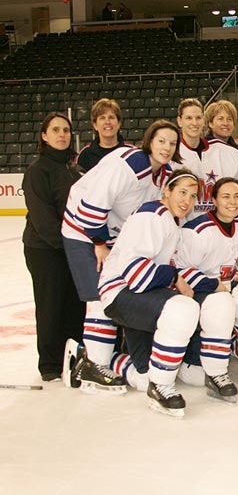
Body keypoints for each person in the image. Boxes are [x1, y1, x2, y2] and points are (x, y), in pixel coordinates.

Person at [62, 120, 181, 395]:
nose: (166, 147)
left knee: (116, 296)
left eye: (172, 143)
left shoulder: (164, 175)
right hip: (84, 232)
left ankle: (92, 359)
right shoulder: (128, 164)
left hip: (113, 239)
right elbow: (91, 207)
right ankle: (94, 368)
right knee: (99, 298)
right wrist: (100, 243)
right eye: (161, 140)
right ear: (149, 140)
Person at [97, 169, 201, 416]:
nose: (187, 200)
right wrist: (175, 278)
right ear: (167, 191)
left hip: (136, 296)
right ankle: (161, 387)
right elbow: (136, 275)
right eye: (182, 192)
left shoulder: (169, 220)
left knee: (143, 376)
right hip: (123, 293)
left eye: (194, 195)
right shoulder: (153, 215)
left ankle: (97, 359)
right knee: (182, 309)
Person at [176, 178, 238, 398]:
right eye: (226, 196)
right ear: (214, 200)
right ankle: (214, 368)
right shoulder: (196, 230)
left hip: (233, 285)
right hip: (204, 292)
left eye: (237, 196)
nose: (233, 202)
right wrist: (213, 285)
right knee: (194, 377)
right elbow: (180, 270)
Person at [22, 113, 85, 382]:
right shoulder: (38, 170)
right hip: (45, 250)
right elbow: (43, 218)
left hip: (72, 250)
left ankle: (72, 360)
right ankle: (49, 364)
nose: (62, 134)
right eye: (56, 130)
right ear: (44, 135)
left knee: (74, 305)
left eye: (66, 130)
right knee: (51, 305)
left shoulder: (73, 169)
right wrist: (68, 246)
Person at [176, 98, 238, 218]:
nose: (194, 123)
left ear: (204, 120)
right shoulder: (171, 154)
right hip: (184, 228)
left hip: (220, 226)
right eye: (189, 118)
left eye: (198, 118)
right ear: (179, 121)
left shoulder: (230, 153)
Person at [77, 98, 125, 172]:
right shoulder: (85, 155)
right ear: (95, 125)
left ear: (119, 123)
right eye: (102, 118)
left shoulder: (130, 153)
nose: (107, 122)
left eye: (111, 117)